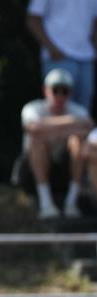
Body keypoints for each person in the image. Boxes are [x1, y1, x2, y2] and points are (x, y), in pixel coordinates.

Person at [16, 68, 93, 219]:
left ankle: (71, 202)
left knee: (78, 142)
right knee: (37, 142)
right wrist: (71, 123)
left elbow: (87, 130)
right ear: (45, 90)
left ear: (70, 93)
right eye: (55, 90)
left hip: (65, 171)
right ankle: (46, 203)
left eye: (64, 91)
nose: (59, 95)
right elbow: (33, 129)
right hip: (31, 174)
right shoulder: (33, 108)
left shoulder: (79, 110)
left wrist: (49, 129)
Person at [27, 0, 97, 112]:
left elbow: (95, 21)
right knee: (58, 110)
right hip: (58, 58)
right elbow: (33, 18)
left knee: (83, 114)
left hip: (86, 58)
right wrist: (52, 48)